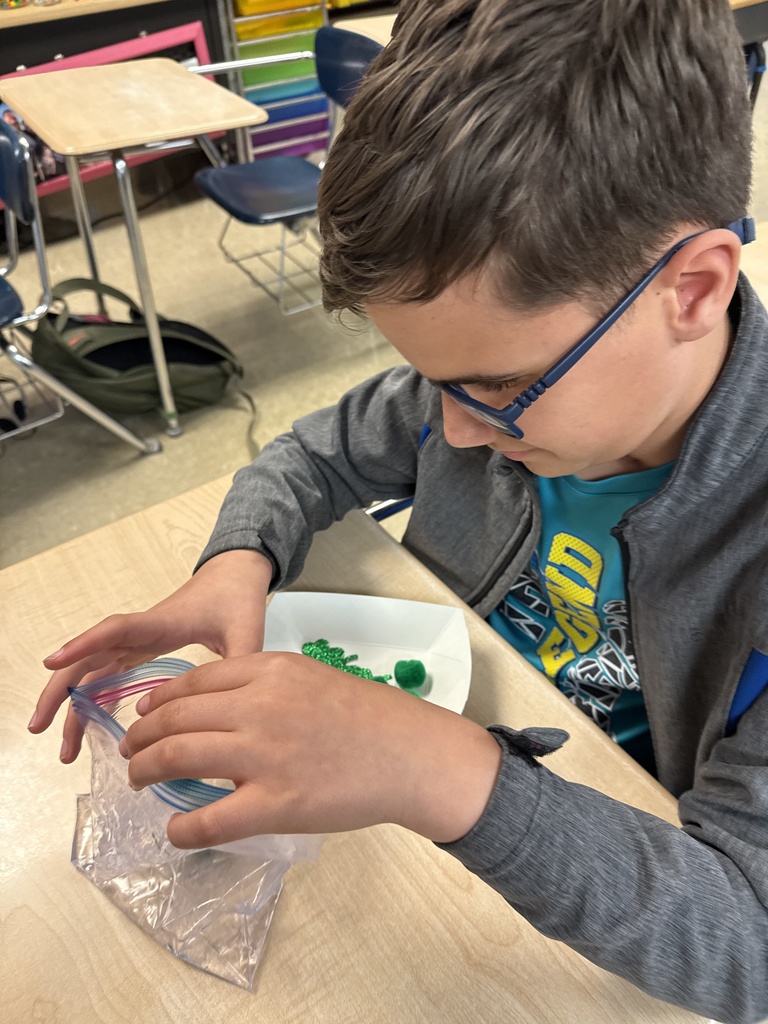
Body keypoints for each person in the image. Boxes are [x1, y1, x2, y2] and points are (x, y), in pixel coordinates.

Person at [29, 1, 768, 1020]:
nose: (450, 435)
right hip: (426, 795)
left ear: (690, 289)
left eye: (496, 384)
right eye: (429, 380)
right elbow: (310, 451)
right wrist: (236, 560)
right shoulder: (482, 386)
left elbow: (750, 944)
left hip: (588, 865)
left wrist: (443, 769)